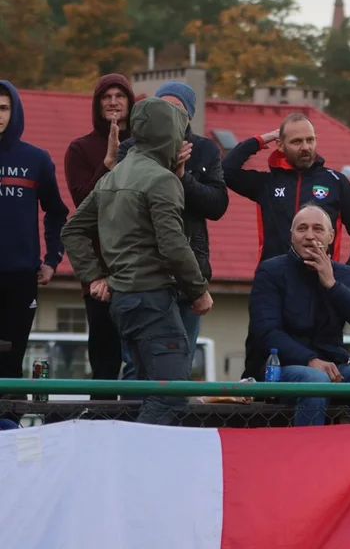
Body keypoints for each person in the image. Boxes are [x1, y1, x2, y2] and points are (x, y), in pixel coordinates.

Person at [61, 98, 213, 425]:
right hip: (153, 300)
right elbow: (173, 245)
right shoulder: (162, 180)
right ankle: (138, 463)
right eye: (178, 129)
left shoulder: (113, 176)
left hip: (124, 302)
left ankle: (138, 461)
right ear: (167, 133)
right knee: (170, 396)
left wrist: (95, 276)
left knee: (147, 391)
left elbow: (72, 229)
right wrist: (199, 290)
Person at [115, 82, 228, 375]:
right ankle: (133, 420)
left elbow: (217, 205)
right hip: (140, 273)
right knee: (136, 365)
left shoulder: (204, 149)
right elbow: (124, 203)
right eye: (162, 107)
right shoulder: (130, 149)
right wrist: (164, 171)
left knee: (179, 365)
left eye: (176, 110)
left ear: (189, 116)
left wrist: (182, 178)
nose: (168, 115)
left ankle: (167, 421)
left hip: (187, 273)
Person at [247, 204, 350, 425]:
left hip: (334, 365)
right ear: (291, 235)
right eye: (302, 229)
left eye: (318, 229)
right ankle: (310, 455)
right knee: (315, 379)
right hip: (282, 367)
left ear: (331, 236)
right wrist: (309, 359)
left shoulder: (343, 274)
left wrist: (332, 284)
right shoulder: (270, 271)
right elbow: (265, 332)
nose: (310, 236)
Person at [222, 113, 350, 275]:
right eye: (297, 141)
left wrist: (347, 274)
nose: (305, 147)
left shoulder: (336, 182)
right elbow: (226, 171)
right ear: (280, 145)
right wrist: (261, 140)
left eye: (310, 140)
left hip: (320, 285)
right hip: (275, 283)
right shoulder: (267, 183)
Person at [63, 74, 135, 392]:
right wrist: (107, 162)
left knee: (139, 361)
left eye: (120, 95)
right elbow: (82, 205)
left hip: (140, 268)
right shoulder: (79, 149)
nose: (114, 101)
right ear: (97, 104)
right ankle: (102, 424)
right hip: (99, 273)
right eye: (106, 96)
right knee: (105, 361)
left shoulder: (144, 147)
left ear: (131, 103)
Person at [0, 81, 68, 380]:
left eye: (3, 108)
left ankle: (10, 426)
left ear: (14, 112)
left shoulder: (36, 160)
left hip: (20, 278)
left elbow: (56, 212)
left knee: (11, 363)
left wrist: (52, 259)